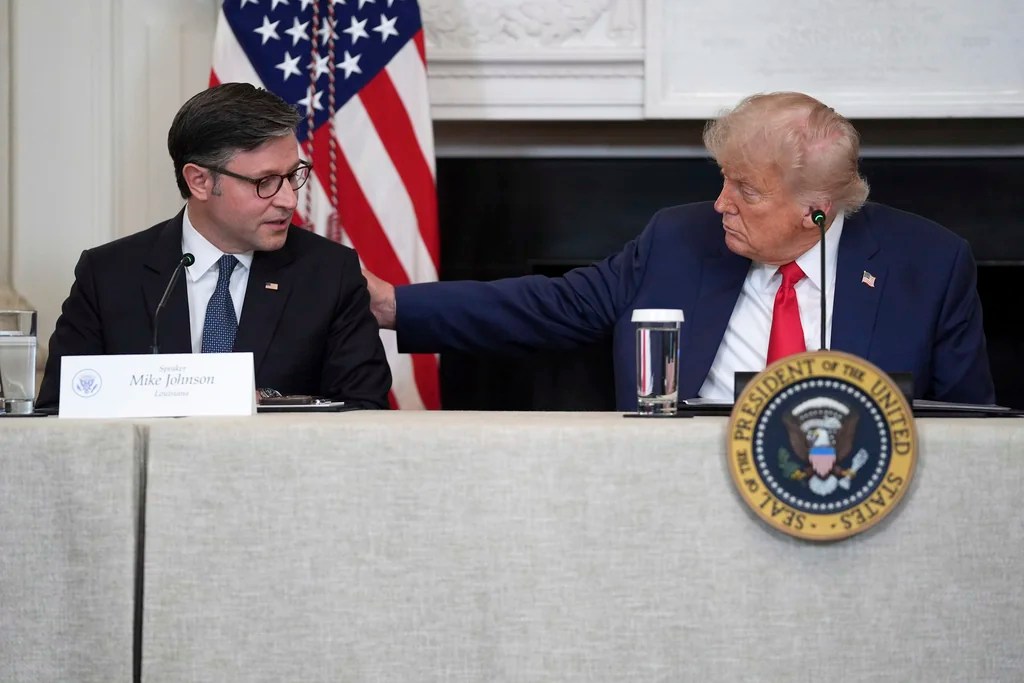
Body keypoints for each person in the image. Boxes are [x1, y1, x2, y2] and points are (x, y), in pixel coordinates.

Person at [365, 91, 995, 408]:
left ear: (815, 212)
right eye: (722, 178)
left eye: (745, 190)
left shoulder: (928, 265)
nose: (720, 203)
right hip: (681, 496)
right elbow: (550, 306)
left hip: (848, 510)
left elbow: (971, 431)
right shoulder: (678, 238)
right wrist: (394, 305)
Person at [37, 83, 391, 410]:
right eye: (266, 181)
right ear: (200, 181)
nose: (288, 199)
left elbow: (364, 410)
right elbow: (61, 409)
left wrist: (263, 402)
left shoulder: (329, 273)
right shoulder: (108, 275)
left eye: (293, 175)